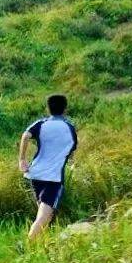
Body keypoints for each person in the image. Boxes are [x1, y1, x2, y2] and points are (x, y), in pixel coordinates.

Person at [18, 94, 78, 241]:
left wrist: (22, 159)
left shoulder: (41, 123)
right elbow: (71, 153)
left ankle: (43, 246)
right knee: (44, 217)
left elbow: (25, 136)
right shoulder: (69, 128)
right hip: (54, 179)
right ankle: (27, 246)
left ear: (48, 108)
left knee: (46, 215)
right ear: (65, 109)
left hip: (35, 175)